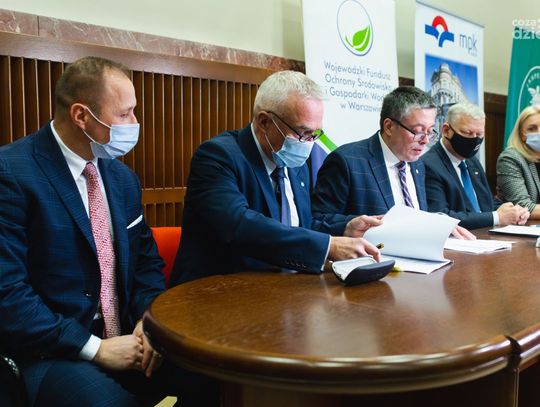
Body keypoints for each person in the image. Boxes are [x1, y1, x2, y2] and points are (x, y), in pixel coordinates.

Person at [0, 57, 218, 406]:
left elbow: (146, 264)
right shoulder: (11, 172)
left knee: (215, 375)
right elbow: (8, 294)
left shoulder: (122, 178)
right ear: (81, 115)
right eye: (125, 113)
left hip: (129, 336)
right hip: (50, 351)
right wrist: (96, 348)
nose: (135, 123)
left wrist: (148, 321)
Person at [170, 70, 382, 285]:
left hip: (282, 288)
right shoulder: (217, 156)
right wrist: (329, 246)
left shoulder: (294, 161)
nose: (309, 143)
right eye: (302, 133)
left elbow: (299, 225)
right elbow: (239, 225)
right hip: (216, 290)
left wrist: (345, 228)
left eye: (315, 134)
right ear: (264, 122)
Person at [312, 86, 474, 239]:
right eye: (418, 131)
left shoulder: (417, 164)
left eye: (430, 131)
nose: (425, 141)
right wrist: (348, 225)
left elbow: (415, 218)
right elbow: (317, 220)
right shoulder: (347, 161)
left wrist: (439, 224)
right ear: (389, 127)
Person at [422, 102, 529, 229]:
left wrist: (514, 212)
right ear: (446, 130)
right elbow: (440, 216)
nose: (474, 140)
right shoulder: (429, 165)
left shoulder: (472, 161)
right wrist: (496, 217)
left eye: (479, 134)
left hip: (485, 235)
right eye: (467, 133)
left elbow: (486, 204)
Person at [497, 105, 540, 220]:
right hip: (521, 226)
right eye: (532, 128)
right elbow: (523, 206)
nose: (539, 132)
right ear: (522, 135)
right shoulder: (510, 158)